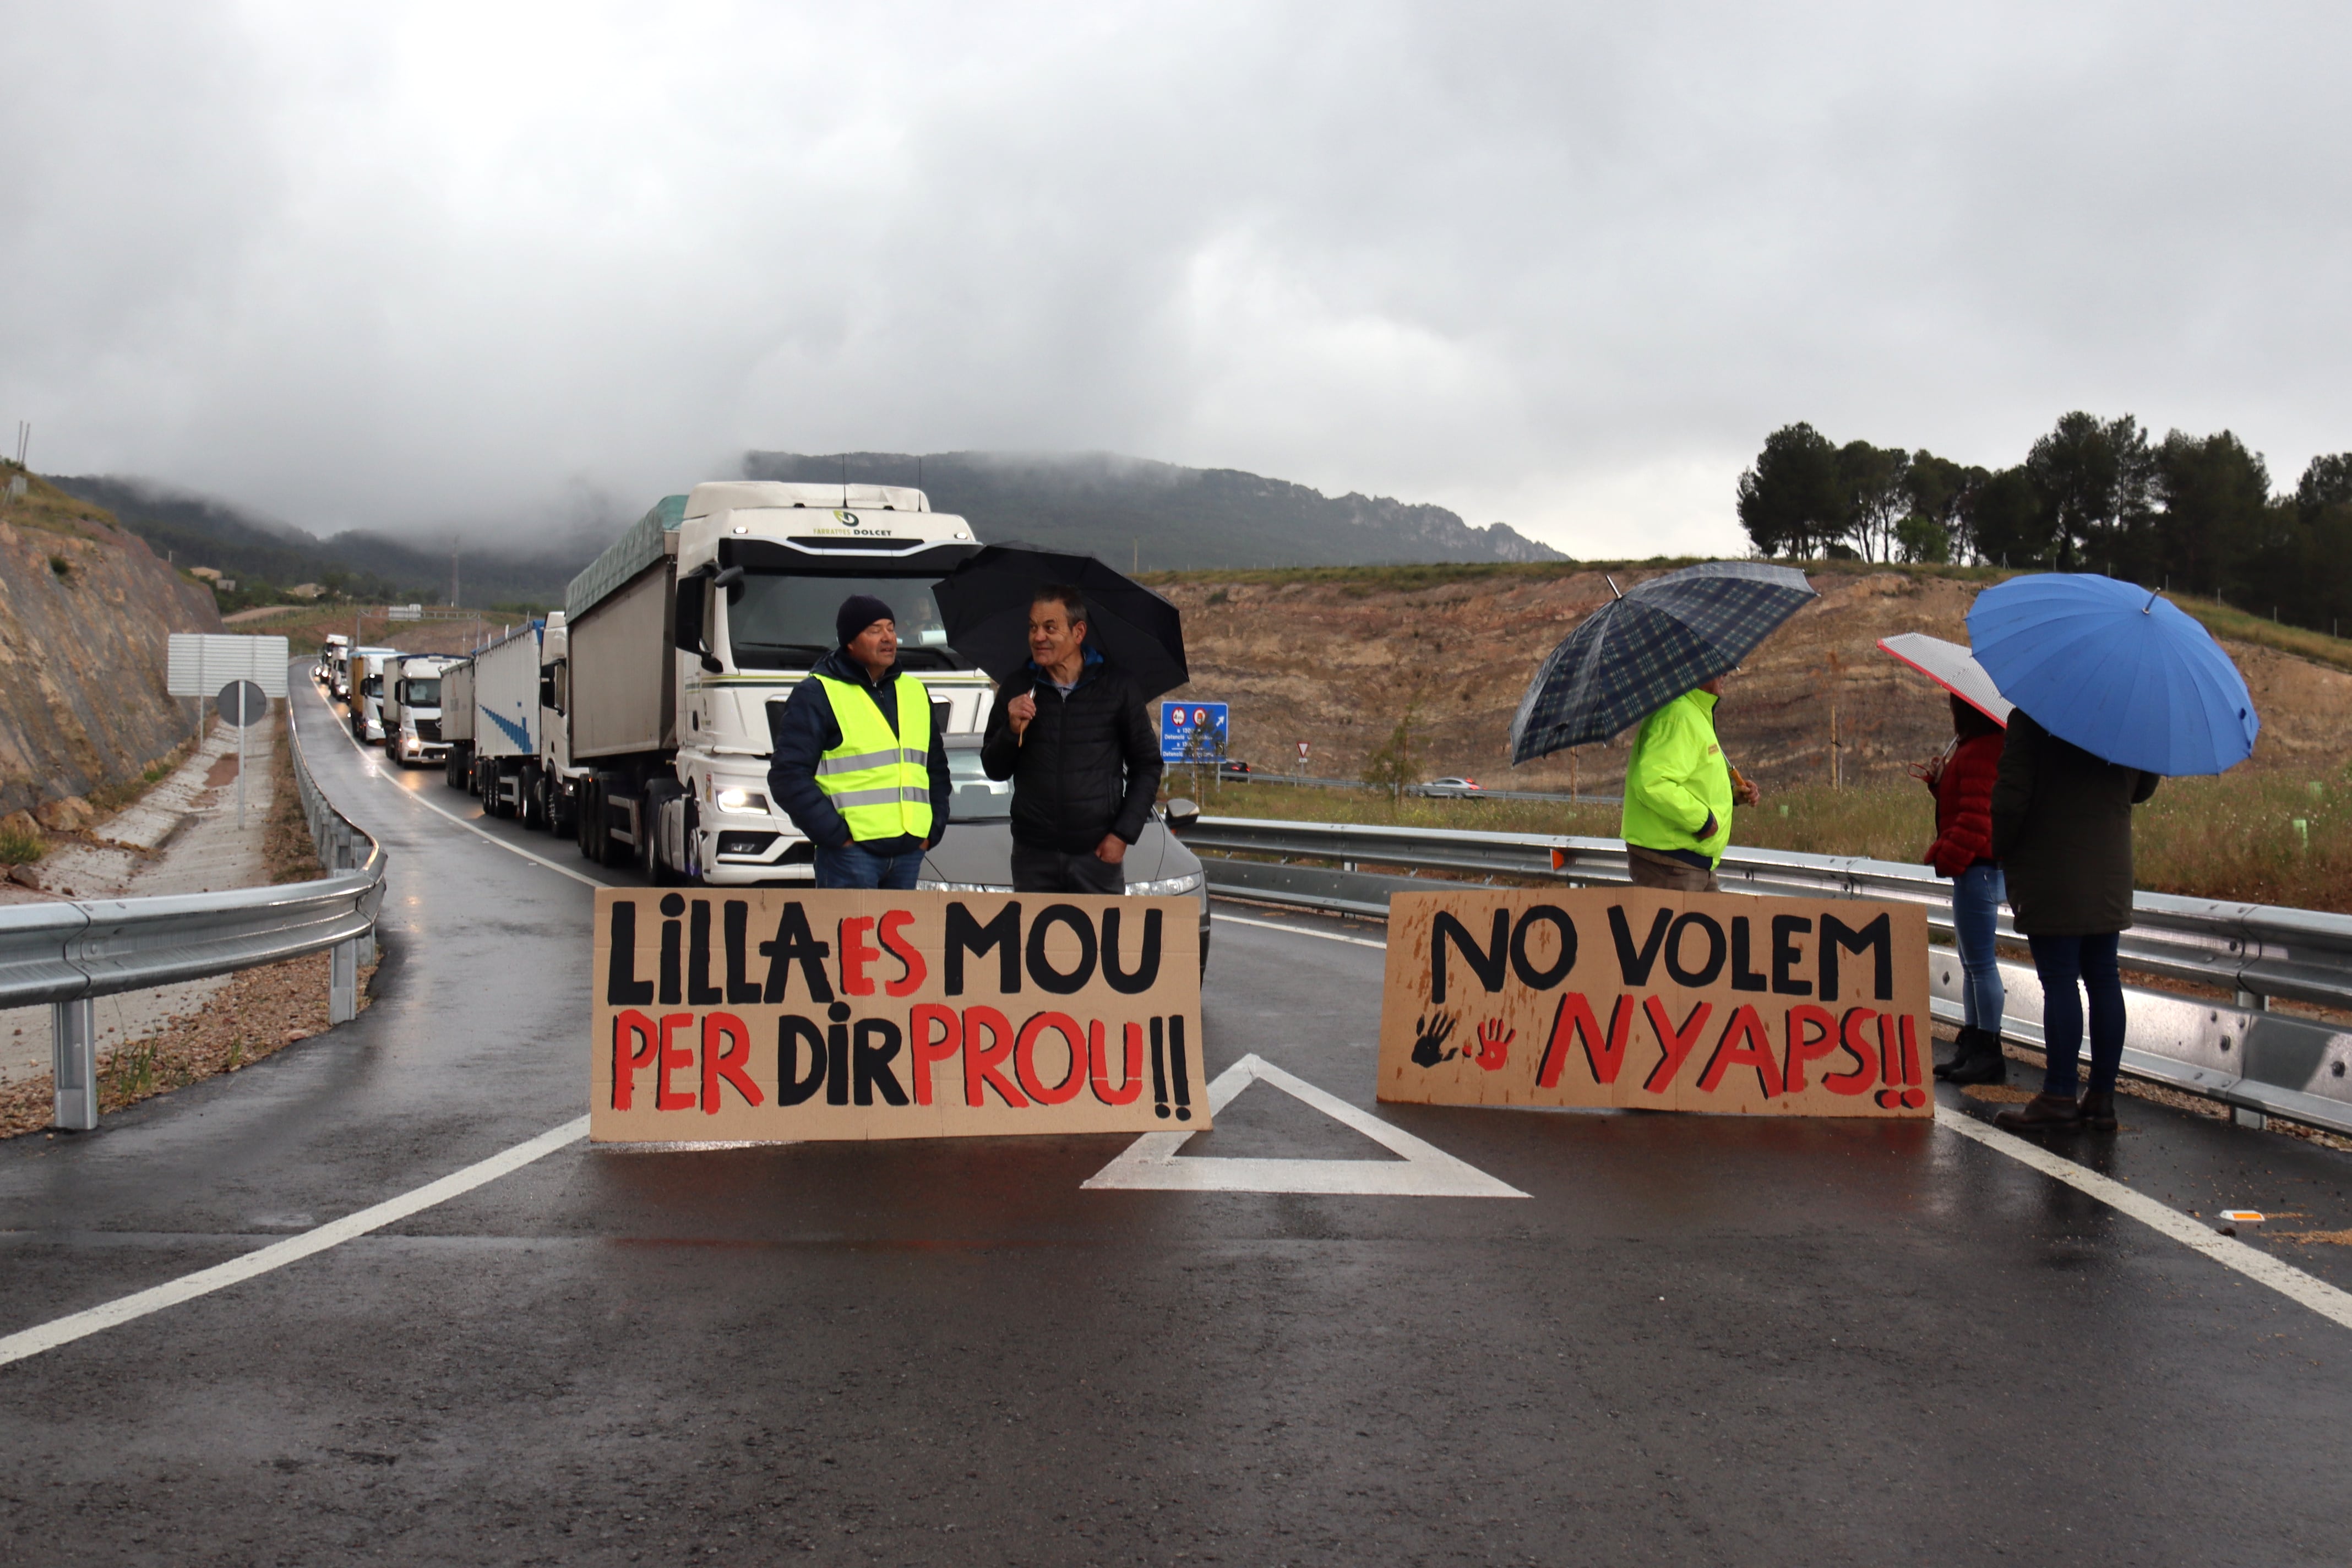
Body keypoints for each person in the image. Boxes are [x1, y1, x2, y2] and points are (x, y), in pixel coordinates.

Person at [1986, 707, 2161, 1132]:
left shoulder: (2035, 715)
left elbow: (2012, 797)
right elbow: (2142, 789)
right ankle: (2101, 1098)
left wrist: (2001, 847)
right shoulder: (2130, 715)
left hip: (2053, 864)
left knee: (2060, 979)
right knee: (2103, 977)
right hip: (2110, 867)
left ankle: (2059, 1094)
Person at [980, 585, 1161, 894]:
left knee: (1100, 944)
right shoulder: (1018, 686)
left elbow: (1147, 766)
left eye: (1050, 628)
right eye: (1033, 627)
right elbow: (994, 769)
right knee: (1033, 944)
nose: (1039, 637)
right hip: (1033, 856)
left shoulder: (1117, 688)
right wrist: (1011, 730)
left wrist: (1122, 835)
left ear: (1079, 633)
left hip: (1097, 856)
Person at [766, 594, 951, 890]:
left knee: (901, 939)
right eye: (875, 631)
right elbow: (787, 777)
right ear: (850, 642)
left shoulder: (915, 692)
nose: (888, 638)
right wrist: (838, 837)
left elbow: (936, 771)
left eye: (891, 628)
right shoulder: (817, 693)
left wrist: (932, 830)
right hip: (851, 857)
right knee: (848, 939)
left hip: (909, 855)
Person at [1914, 695, 2008, 1086]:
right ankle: (1975, 1042)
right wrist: (1940, 785)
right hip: (1979, 869)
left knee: (1980, 964)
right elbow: (1966, 805)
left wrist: (1945, 856)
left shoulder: (1980, 752)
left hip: (1977, 870)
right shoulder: (1978, 750)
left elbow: (1977, 819)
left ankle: (1988, 1048)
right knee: (1972, 964)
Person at [1619, 674, 1761, 892]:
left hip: (1690, 862)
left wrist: (1732, 796)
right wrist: (1703, 821)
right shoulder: (1678, 716)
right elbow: (1652, 783)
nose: (1726, 674)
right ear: (1698, 671)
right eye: (1719, 669)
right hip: (1671, 864)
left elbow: (1692, 779)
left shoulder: (1694, 712)